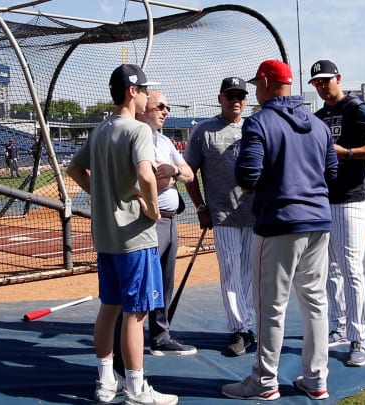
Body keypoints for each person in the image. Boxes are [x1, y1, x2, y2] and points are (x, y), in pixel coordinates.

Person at [222, 59, 337, 401]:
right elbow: (331, 173)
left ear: (270, 84)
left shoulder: (259, 122)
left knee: (270, 306)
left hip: (279, 224)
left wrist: (270, 187)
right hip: (319, 221)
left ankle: (263, 381)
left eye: (258, 84)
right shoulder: (319, 125)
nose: (255, 91)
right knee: (315, 303)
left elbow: (247, 176)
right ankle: (316, 380)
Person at [66, 63, 177, 405]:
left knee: (109, 308)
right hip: (135, 237)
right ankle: (136, 388)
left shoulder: (100, 130)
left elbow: (73, 168)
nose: (147, 96)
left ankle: (105, 382)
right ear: (132, 92)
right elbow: (146, 173)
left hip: (107, 237)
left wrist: (101, 194)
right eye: (144, 90)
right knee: (136, 312)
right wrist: (153, 209)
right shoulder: (137, 130)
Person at [309, 59, 365, 367]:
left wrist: (348, 153)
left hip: (352, 200)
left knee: (351, 269)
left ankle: (359, 339)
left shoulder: (356, 109)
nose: (320, 86)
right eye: (316, 82)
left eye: (325, 80)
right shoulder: (318, 117)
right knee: (329, 269)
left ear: (338, 78)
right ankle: (339, 327)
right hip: (324, 200)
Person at [112, 90, 196, 375]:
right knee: (140, 288)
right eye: (159, 106)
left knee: (165, 283)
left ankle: (160, 337)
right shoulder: (136, 137)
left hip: (171, 221)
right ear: (142, 109)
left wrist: (171, 171)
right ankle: (123, 357)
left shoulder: (164, 141)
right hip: (147, 222)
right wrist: (164, 176)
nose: (165, 111)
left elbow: (189, 173)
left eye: (167, 107)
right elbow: (139, 177)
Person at [184, 77, 257, 357]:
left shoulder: (255, 127)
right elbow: (189, 174)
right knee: (231, 273)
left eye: (240, 95)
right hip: (223, 215)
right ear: (220, 98)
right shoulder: (205, 131)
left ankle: (247, 324)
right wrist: (201, 208)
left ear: (246, 100)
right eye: (230, 95)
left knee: (251, 273)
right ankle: (238, 329)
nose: (235, 100)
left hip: (255, 214)